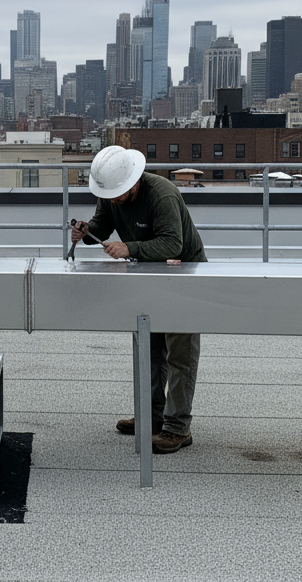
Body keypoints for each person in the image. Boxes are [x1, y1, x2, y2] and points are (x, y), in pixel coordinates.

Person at [71, 145, 207, 453]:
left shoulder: (162, 195)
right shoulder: (111, 192)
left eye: (118, 195)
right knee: (149, 348)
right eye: (109, 196)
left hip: (183, 275)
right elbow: (103, 222)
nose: (113, 201)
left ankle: (177, 428)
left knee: (180, 354)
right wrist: (88, 231)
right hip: (148, 274)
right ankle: (152, 416)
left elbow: (172, 244)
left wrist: (129, 248)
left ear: (133, 182)